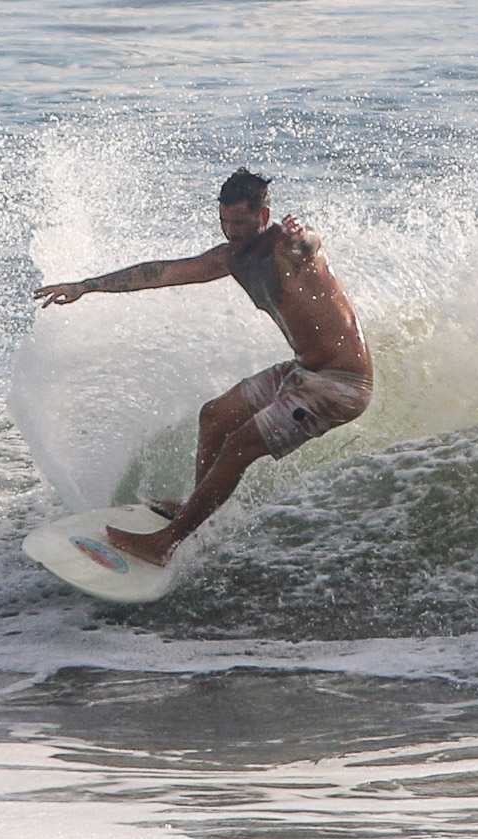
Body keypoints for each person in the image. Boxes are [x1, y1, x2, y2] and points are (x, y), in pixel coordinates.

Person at [33, 168, 372, 566]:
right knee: (214, 416)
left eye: (242, 223)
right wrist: (84, 286)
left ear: (264, 217)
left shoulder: (288, 245)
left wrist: (304, 235)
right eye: (225, 222)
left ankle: (167, 542)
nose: (232, 232)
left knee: (237, 448)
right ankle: (196, 512)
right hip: (302, 372)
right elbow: (161, 273)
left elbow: (310, 245)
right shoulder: (232, 257)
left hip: (340, 385)